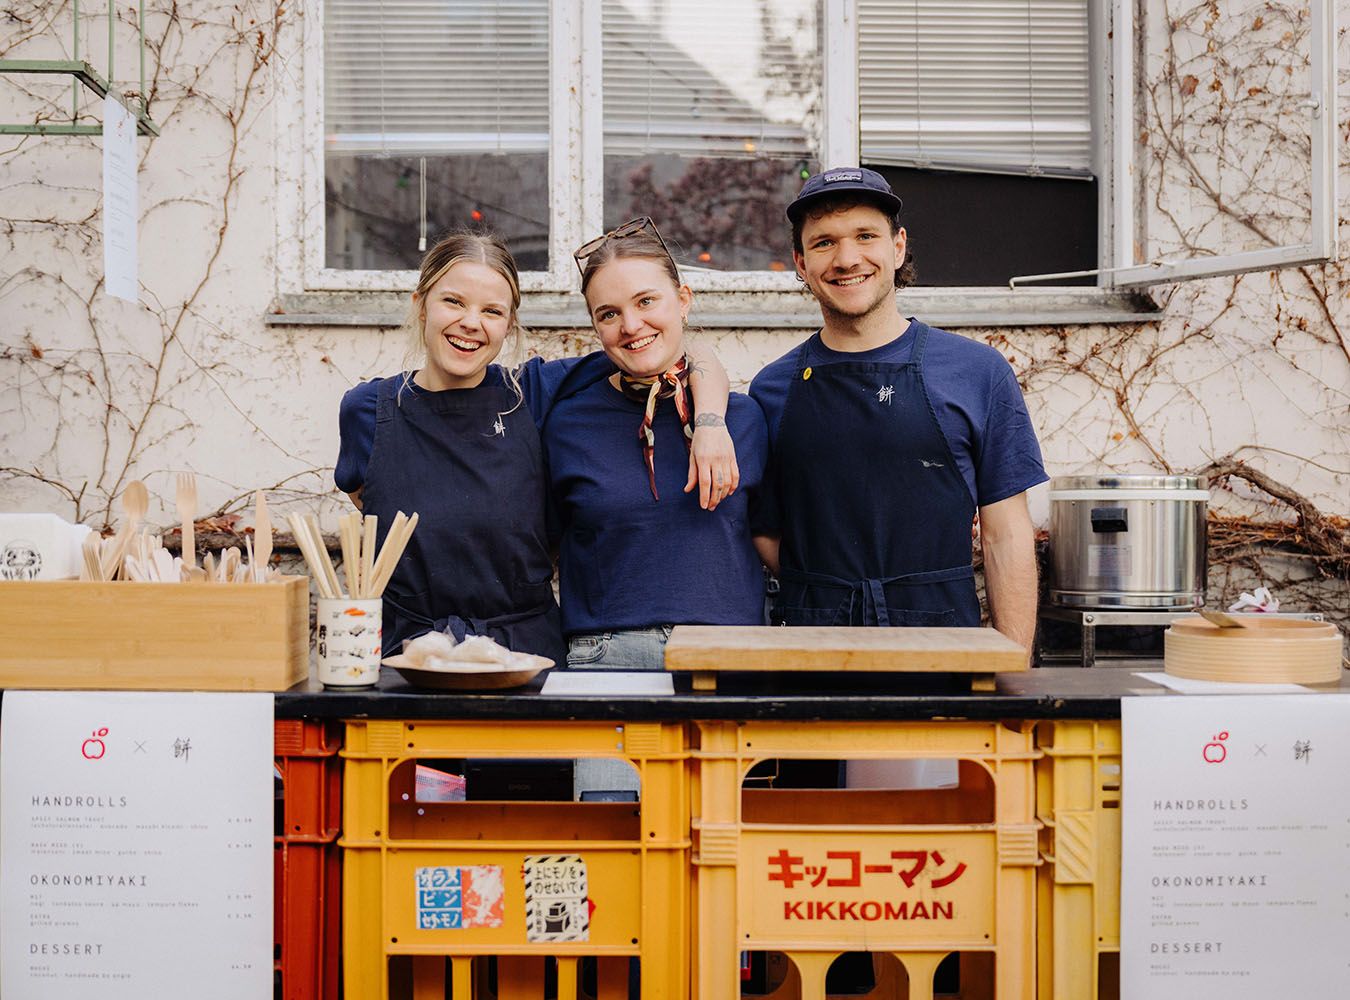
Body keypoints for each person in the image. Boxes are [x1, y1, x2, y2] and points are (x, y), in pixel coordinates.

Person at [334, 230, 739, 665]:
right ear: (420, 306)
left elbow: (682, 347)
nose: (471, 322)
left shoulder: (533, 394)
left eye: (492, 310)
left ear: (509, 325)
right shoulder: (369, 412)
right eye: (453, 302)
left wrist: (711, 423)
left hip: (523, 658)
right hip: (409, 656)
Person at [750, 168, 1045, 653]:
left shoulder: (977, 372)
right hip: (811, 649)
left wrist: (1011, 666)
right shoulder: (772, 389)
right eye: (824, 243)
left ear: (898, 247)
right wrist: (825, 593)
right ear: (800, 262)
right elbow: (765, 531)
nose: (847, 259)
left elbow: (1005, 535)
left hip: (943, 645)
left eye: (865, 236)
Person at [544, 217, 770, 669]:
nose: (631, 325)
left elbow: (771, 540)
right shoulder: (567, 419)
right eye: (608, 313)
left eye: (646, 300)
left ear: (683, 300)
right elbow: (540, 548)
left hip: (730, 651)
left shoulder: (742, 418)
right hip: (606, 654)